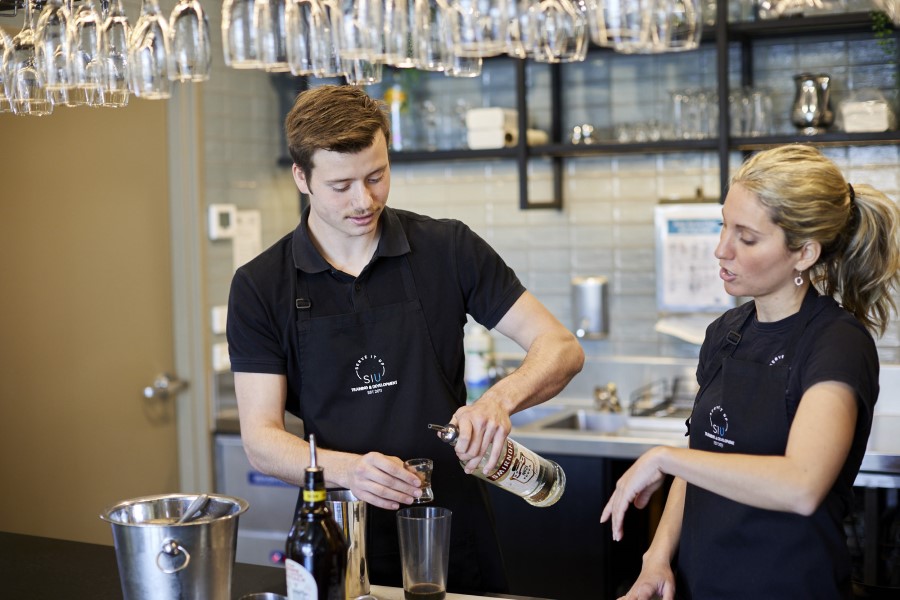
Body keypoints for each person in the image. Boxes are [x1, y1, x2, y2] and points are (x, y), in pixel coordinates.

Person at [226, 84, 584, 594]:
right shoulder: (261, 285)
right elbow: (261, 440)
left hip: (450, 525)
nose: (364, 200)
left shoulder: (447, 248)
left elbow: (562, 348)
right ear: (301, 178)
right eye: (341, 185)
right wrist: (351, 471)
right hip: (339, 531)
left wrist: (497, 401)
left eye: (377, 176)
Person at [600, 144, 900, 600]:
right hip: (703, 584)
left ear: (804, 254)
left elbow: (802, 485)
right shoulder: (725, 332)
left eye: (747, 236)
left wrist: (664, 457)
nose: (721, 249)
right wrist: (656, 559)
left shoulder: (836, 343)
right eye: (724, 224)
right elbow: (702, 458)